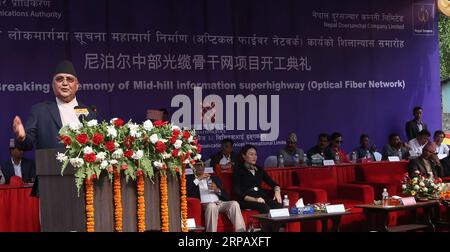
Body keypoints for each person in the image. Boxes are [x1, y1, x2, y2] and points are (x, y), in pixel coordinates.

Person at [12, 60, 97, 197]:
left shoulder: (88, 112)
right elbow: (27, 143)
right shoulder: (40, 110)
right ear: (53, 85)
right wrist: (21, 137)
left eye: (69, 79)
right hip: (50, 182)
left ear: (77, 86)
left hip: (85, 182)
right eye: (59, 79)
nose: (64, 83)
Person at [186, 161, 245, 232]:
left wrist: (217, 189)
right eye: (198, 165)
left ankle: (241, 231)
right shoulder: (189, 179)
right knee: (212, 206)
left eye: (203, 165)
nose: (201, 167)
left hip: (220, 202)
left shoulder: (213, 178)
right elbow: (187, 191)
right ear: (193, 167)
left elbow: (226, 195)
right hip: (206, 204)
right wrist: (198, 179)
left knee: (234, 204)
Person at [233, 145, 282, 214]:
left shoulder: (259, 169)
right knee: (265, 207)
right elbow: (237, 192)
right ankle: (267, 225)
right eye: (251, 154)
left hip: (260, 197)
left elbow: (273, 183)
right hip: (246, 200)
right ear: (244, 156)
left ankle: (279, 225)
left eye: (255, 154)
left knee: (278, 206)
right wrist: (255, 200)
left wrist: (277, 191)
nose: (254, 157)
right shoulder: (238, 170)